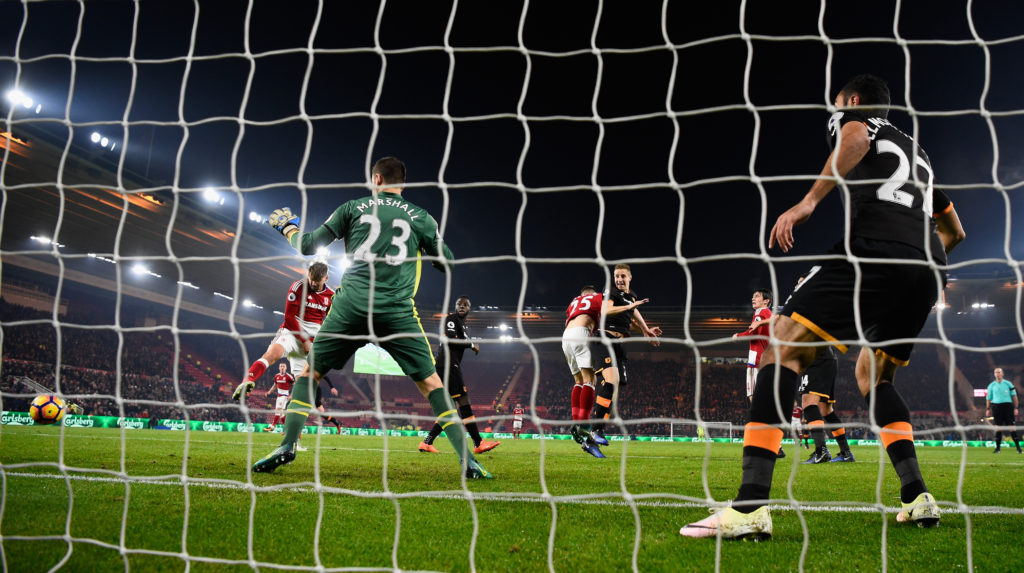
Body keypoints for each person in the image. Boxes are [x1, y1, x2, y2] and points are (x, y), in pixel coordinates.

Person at [680, 74, 965, 540]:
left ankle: (750, 507)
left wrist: (807, 203)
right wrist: (918, 261)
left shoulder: (856, 119)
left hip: (874, 249)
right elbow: (955, 232)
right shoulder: (920, 156)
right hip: (927, 268)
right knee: (872, 376)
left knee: (782, 347)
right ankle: (917, 497)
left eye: (839, 105)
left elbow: (852, 136)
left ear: (853, 100)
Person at [251, 157, 492, 479]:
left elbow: (309, 246)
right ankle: (468, 461)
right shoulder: (421, 218)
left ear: (376, 179)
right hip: (396, 311)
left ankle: (287, 445)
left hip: (350, 306)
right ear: (402, 184)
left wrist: (289, 228)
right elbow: (446, 264)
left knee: (311, 374)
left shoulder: (352, 207)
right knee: (431, 383)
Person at [562, 285, 648, 458]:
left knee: (578, 382)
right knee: (590, 381)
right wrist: (632, 310)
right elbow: (613, 311)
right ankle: (584, 425)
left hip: (566, 336)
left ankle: (576, 422)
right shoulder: (598, 297)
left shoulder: (573, 302)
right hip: (582, 333)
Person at [232, 262, 333, 401]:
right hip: (292, 331)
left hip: (312, 340)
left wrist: (317, 341)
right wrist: (304, 340)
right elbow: (289, 317)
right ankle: (247, 381)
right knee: (272, 354)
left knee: (302, 385)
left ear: (326, 279)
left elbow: (330, 322)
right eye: (311, 280)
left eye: (317, 282)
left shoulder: (331, 296)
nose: (313, 284)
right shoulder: (298, 287)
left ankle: (291, 417)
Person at [588, 264, 662, 445]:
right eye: (616, 276)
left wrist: (645, 331)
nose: (619, 279)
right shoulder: (611, 292)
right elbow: (606, 310)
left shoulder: (630, 297)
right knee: (610, 382)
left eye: (623, 276)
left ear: (630, 277)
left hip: (619, 345)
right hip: (605, 339)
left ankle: (596, 435)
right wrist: (632, 306)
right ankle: (595, 430)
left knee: (614, 388)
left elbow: (634, 313)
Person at [418, 295, 500, 455]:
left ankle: (427, 442)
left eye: (465, 304)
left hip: (448, 366)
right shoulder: (452, 319)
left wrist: (471, 343)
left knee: (449, 408)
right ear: (455, 306)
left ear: (469, 308)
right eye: (459, 304)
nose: (462, 306)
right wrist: (471, 344)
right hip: (448, 366)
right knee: (463, 402)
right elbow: (449, 340)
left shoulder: (462, 326)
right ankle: (478, 442)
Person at [733, 289, 785, 458]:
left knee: (756, 402)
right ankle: (775, 444)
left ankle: (765, 443)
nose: (753, 298)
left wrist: (737, 336)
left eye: (757, 296)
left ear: (766, 301)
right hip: (762, 360)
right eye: (753, 296)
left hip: (756, 361)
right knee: (758, 401)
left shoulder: (761, 312)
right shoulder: (766, 314)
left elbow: (752, 333)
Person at [798, 345, 855, 464]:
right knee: (826, 409)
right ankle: (846, 453)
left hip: (817, 356)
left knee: (808, 401)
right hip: (828, 357)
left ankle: (821, 451)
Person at [986, 367, 1021, 454]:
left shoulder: (1009, 384)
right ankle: (997, 449)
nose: (997, 374)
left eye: (999, 372)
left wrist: (1016, 407)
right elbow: (988, 398)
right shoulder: (991, 386)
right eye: (995, 373)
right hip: (996, 407)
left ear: (1002, 374)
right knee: (998, 428)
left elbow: (1014, 396)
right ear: (994, 374)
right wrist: (988, 408)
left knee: (1012, 428)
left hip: (1007, 406)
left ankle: (1018, 449)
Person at [262, 363, 294, 433]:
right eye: (281, 366)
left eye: (283, 366)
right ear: (279, 368)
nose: (282, 367)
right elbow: (275, 385)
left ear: (286, 368)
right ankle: (286, 429)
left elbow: (295, 385)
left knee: (278, 410)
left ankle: (272, 426)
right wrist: (269, 392)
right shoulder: (277, 376)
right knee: (282, 413)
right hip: (279, 396)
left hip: (284, 396)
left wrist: (291, 395)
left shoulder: (289, 376)